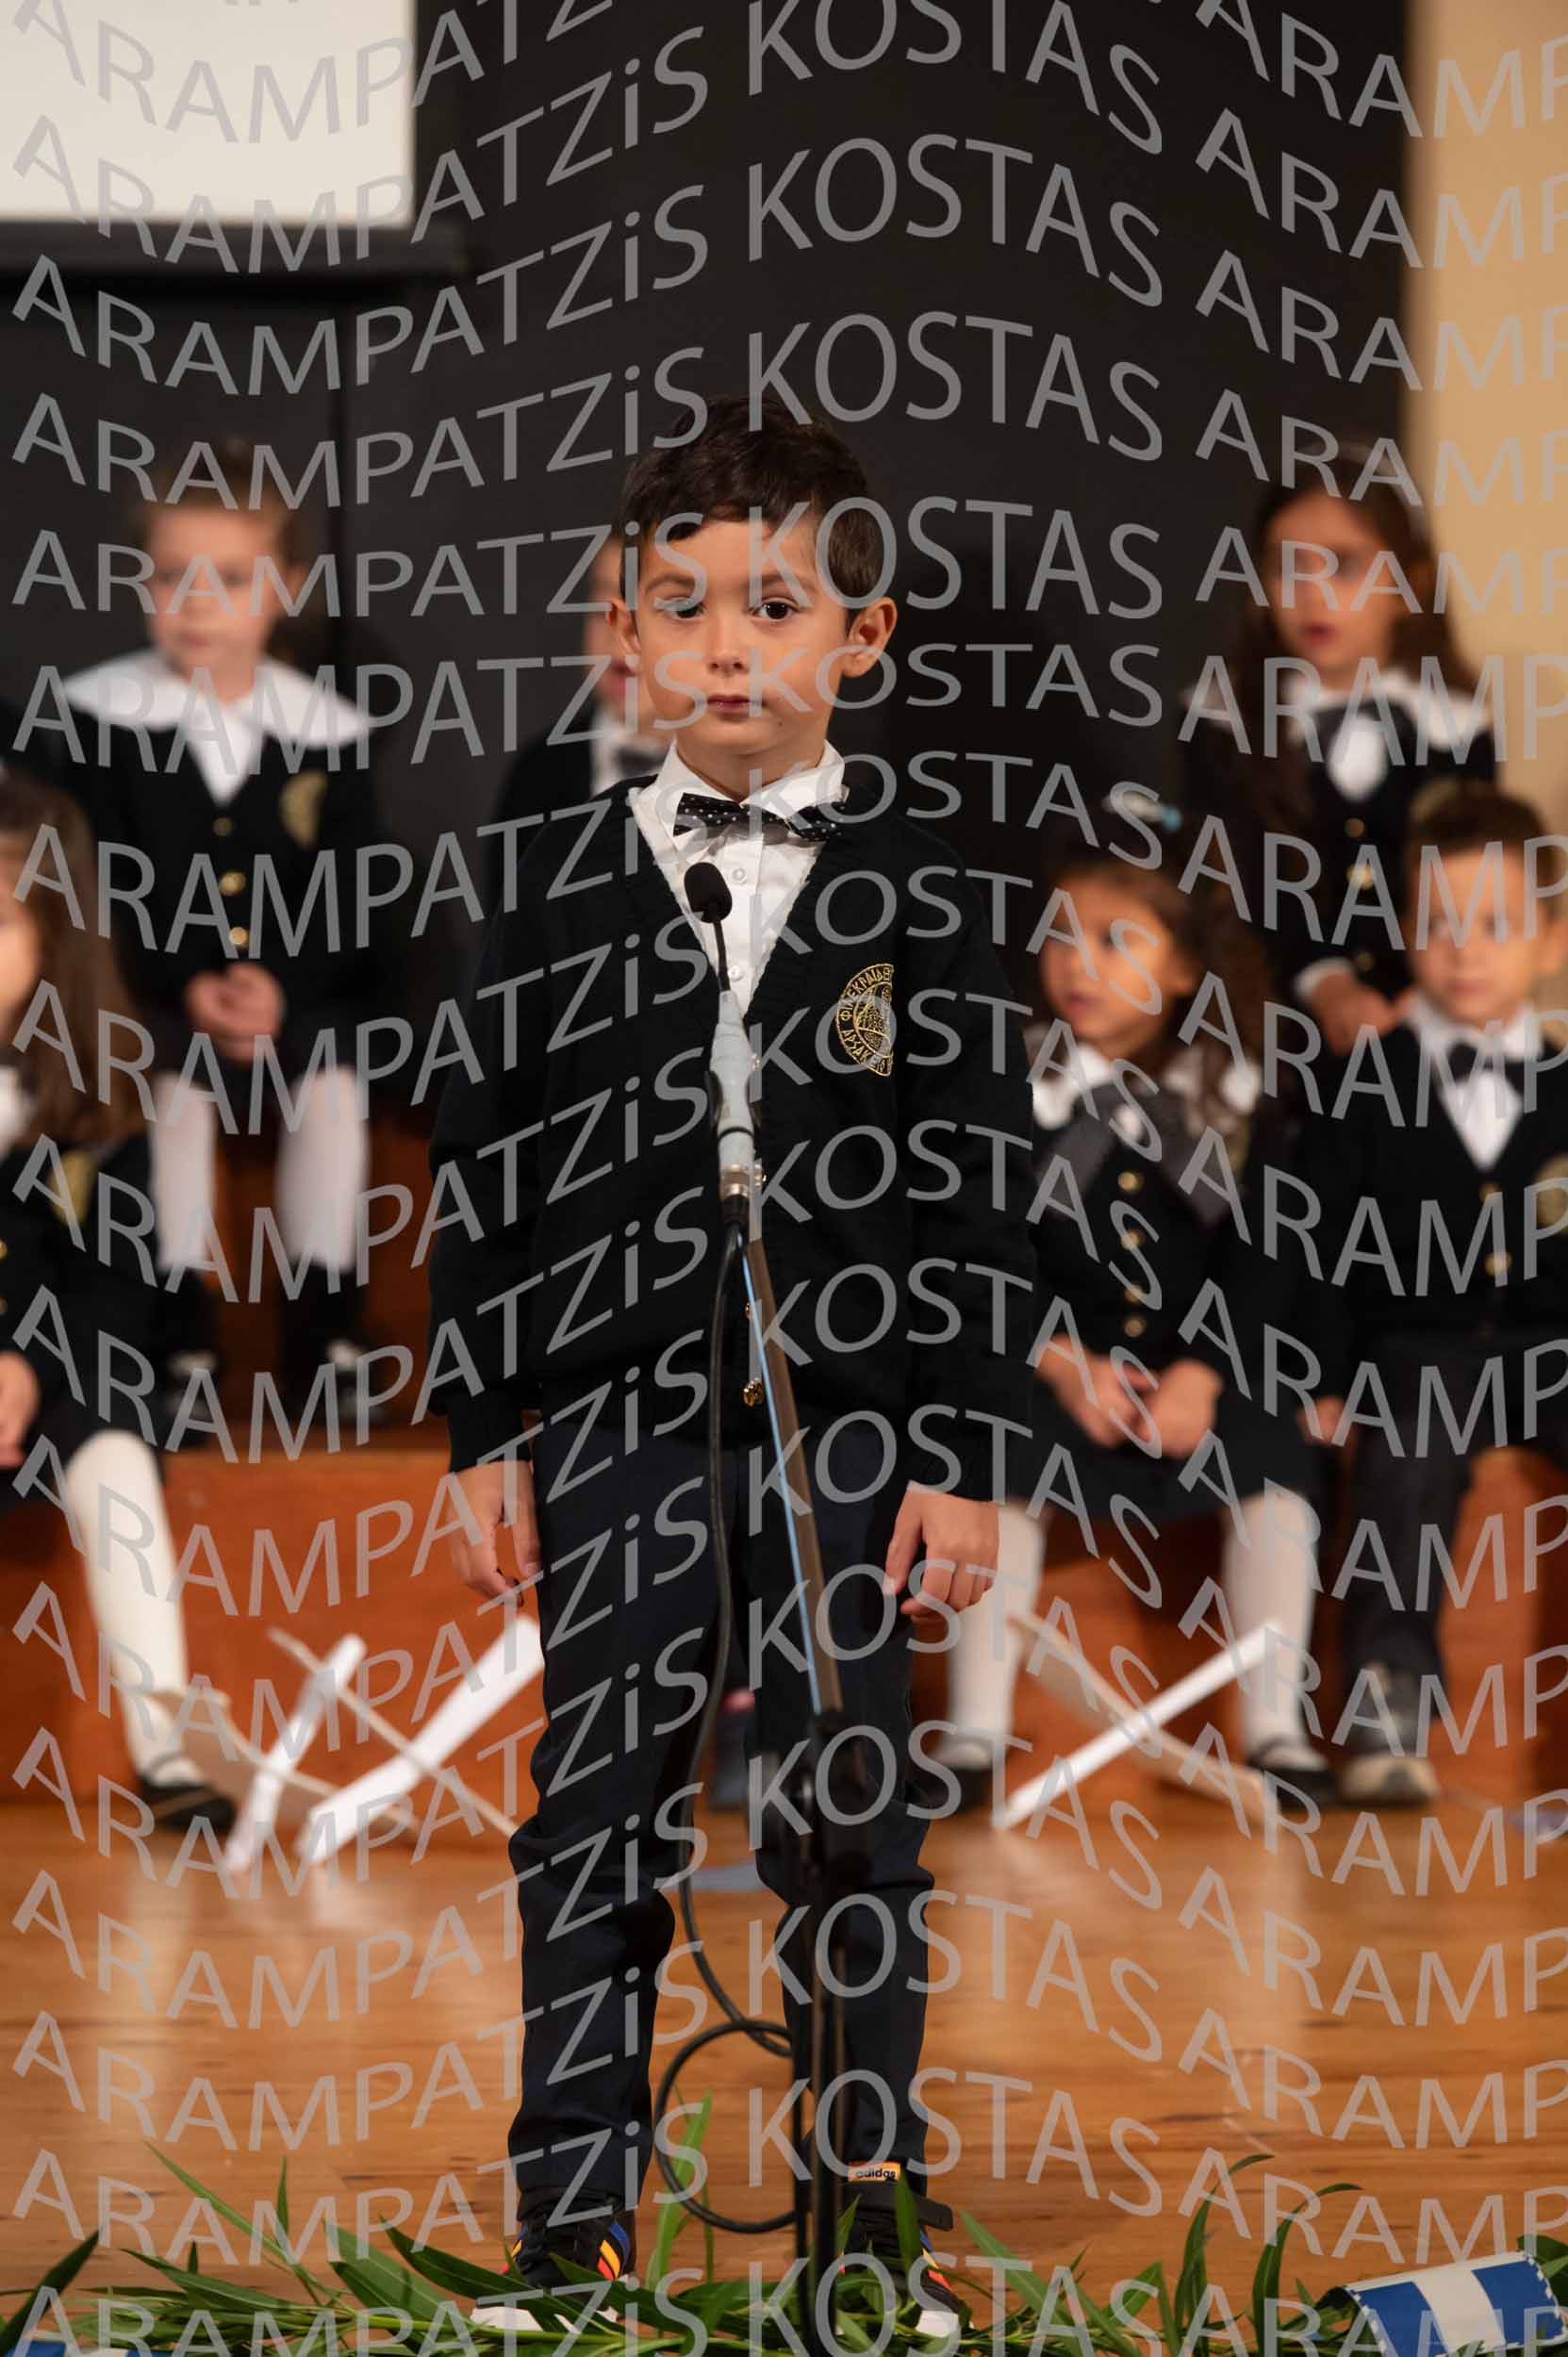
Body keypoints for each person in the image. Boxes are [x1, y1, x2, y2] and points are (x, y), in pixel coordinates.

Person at [427, 394, 1033, 2332]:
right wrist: (484, 1429)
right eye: (681, 605)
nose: (724, 646)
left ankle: (864, 2227)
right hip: (616, 1426)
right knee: (593, 1819)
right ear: (627, 631)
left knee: (848, 1823)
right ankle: (574, 2238)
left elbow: (982, 1192)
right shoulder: (553, 875)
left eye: (773, 606)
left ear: (862, 634)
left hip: (846, 1432)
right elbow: (484, 1171)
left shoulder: (932, 884)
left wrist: (965, 1451)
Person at [938, 811, 1331, 1818]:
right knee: (994, 1460)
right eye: (1063, 935)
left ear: (1185, 968)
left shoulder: (1235, 1101)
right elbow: (979, 1246)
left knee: (1276, 1468)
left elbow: (1263, 1261)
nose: (1080, 964)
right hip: (1053, 1368)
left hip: (1197, 1375)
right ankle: (973, 1731)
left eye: (1118, 941)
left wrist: (1201, 1372)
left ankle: (1274, 1727)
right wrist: (1060, 1361)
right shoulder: (1007, 1085)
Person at [58, 437, 391, 1427]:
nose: (198, 603)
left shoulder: (325, 728)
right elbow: (90, 886)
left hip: (288, 1004)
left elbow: (352, 892)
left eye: (232, 579)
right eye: (173, 576)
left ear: (285, 587)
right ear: (141, 581)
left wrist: (279, 986)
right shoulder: (96, 719)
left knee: (332, 1080)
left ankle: (325, 1326)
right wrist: (187, 986)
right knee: (173, 1086)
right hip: (150, 1000)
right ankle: (180, 1328)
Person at [1293, 788, 1568, 1805]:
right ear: (1407, 933)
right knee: (1408, 1444)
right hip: (1417, 1348)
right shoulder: (1361, 1082)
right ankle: (1388, 1696)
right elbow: (1314, 1241)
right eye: (1440, 923)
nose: (1464, 949)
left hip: (1551, 1346)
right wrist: (1320, 1376)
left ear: (1550, 942)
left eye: (1495, 923)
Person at [0, 766, 232, 1833]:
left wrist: (25, 1366)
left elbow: (108, 1290)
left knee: (116, 1453)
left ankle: (165, 1745)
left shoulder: (96, 1096)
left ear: (57, 937)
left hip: (44, 1382)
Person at [1177, 449, 1497, 1050]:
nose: (1313, 594)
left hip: (1428, 1020)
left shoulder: (1457, 726)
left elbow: (1468, 884)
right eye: (1287, 567)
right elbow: (1234, 885)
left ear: (1410, 585)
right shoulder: (1220, 721)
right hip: (1267, 1034)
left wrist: (1429, 990)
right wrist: (1323, 981)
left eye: (1344, 567)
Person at [484, 531, 667, 913]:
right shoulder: (539, 773)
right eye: (603, 608)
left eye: (651, 611)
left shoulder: (748, 778)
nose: (620, 636)